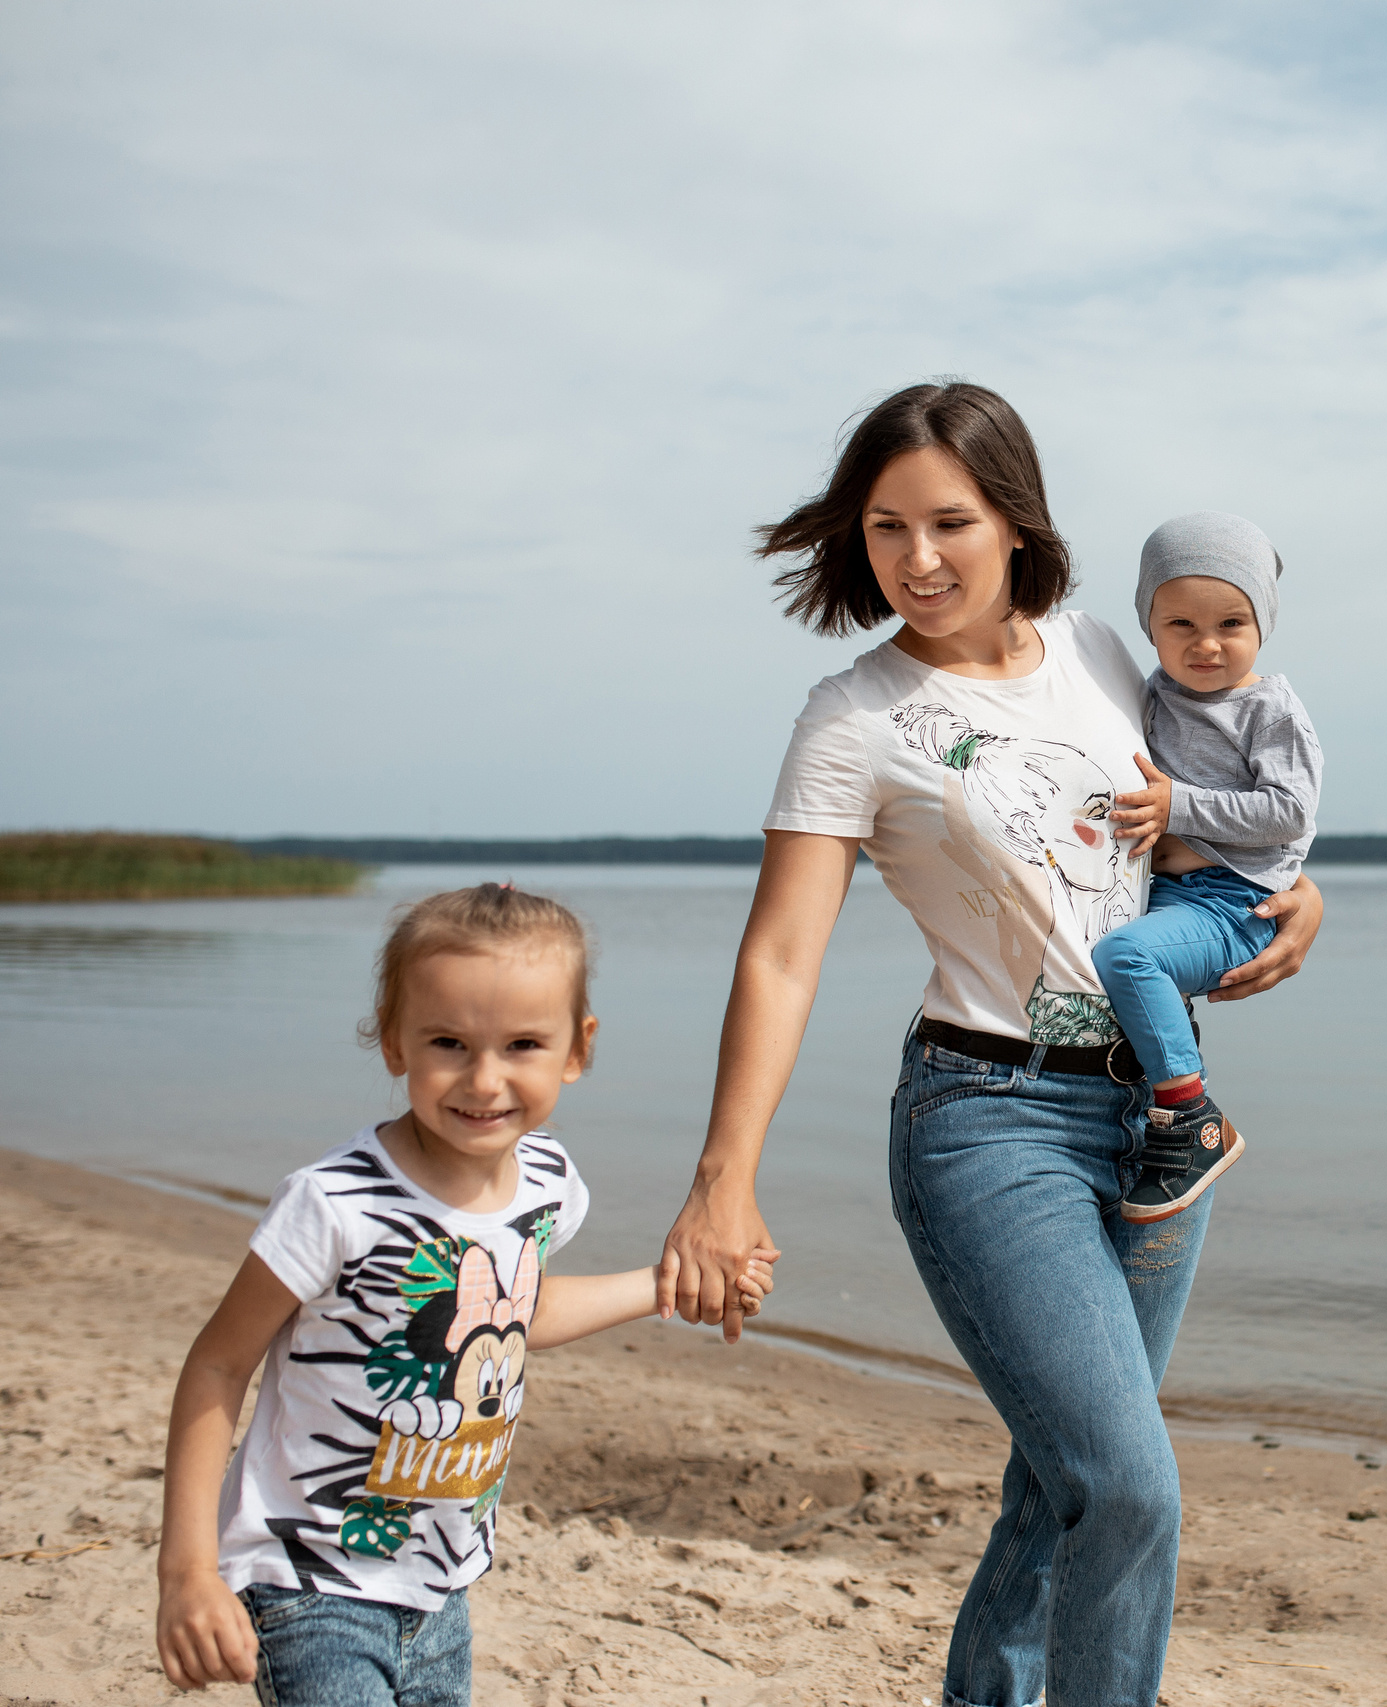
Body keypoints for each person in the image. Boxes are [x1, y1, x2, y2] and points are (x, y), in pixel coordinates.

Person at [655, 381, 1323, 1707]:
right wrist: (723, 1178)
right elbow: (781, 954)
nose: (918, 558)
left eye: (950, 522)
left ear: (1015, 521)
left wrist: (1302, 897)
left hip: (1157, 1127)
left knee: (1060, 1488)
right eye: (886, 526)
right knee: (1124, 1486)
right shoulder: (853, 715)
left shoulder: (1106, 654)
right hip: (987, 1118)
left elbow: (1202, 827)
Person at [153, 884, 773, 1704]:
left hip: (442, 1581)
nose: (485, 1080)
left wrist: (667, 1284)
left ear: (577, 1048)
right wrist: (188, 1571)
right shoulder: (334, 1204)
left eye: (523, 1044)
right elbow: (218, 1364)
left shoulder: (547, 1182)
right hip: (310, 1580)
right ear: (393, 1039)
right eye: (449, 1042)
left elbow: (514, 1314)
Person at [1093, 511, 1322, 1222]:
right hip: (1169, 894)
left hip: (1233, 904)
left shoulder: (1269, 709)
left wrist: (1178, 806)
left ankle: (1193, 1119)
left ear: (1263, 626)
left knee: (1126, 957)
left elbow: (1290, 812)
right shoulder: (1151, 696)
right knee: (1123, 957)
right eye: (1181, 624)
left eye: (1230, 623)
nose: (1207, 643)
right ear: (1149, 624)